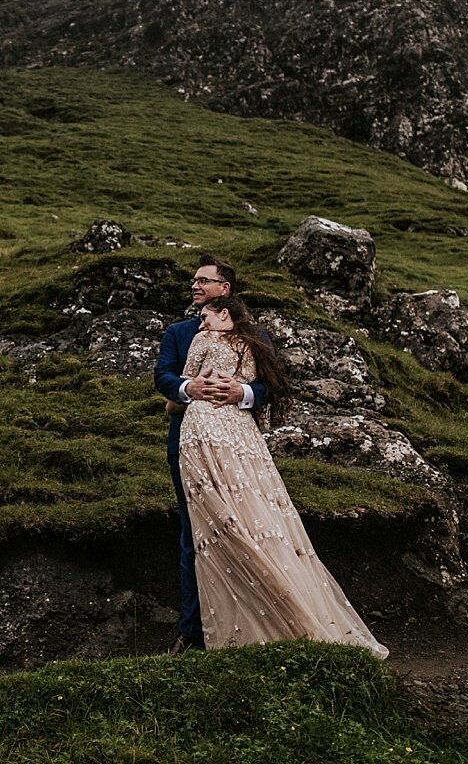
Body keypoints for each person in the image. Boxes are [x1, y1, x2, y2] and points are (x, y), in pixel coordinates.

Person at [178, 294, 388, 657]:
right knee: (260, 517)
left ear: (224, 311)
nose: (200, 322)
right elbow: (273, 388)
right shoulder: (252, 343)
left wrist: (188, 392)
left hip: (206, 428)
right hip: (243, 436)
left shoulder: (204, 340)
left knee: (218, 524)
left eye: (204, 315)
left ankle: (240, 630)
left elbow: (182, 384)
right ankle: (293, 609)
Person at [154, 254, 268, 653]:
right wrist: (188, 390)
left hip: (237, 445)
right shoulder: (179, 332)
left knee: (248, 525)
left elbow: (273, 385)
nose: (195, 286)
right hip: (189, 443)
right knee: (194, 531)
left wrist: (244, 394)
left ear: (225, 290)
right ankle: (194, 632)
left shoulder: (255, 335)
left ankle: (255, 618)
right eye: (193, 281)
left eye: (204, 280)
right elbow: (163, 375)